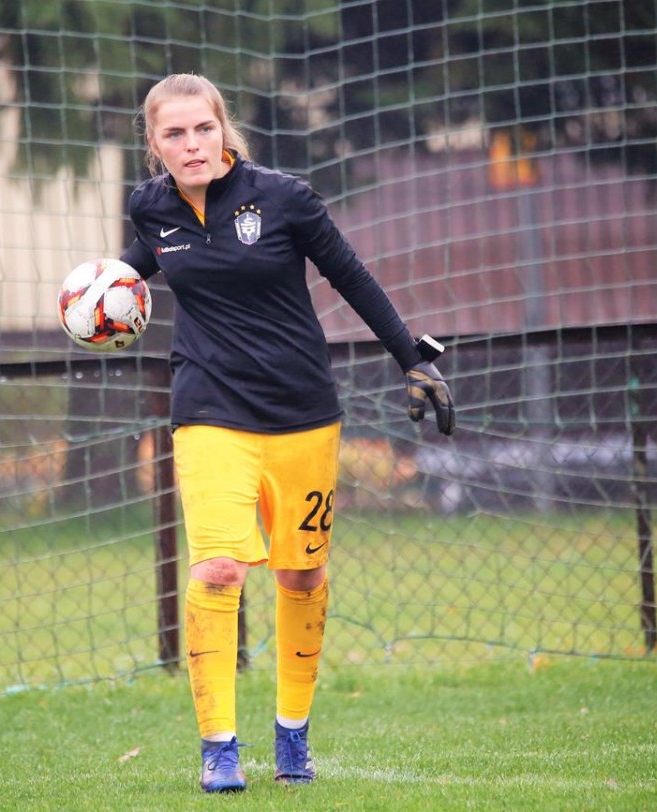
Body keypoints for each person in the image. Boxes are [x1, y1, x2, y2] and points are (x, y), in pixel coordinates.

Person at [118, 73, 455, 794]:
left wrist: (411, 358)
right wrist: (97, 292)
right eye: (174, 133)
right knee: (218, 569)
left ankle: (292, 734)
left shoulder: (283, 198)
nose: (191, 143)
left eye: (203, 128)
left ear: (223, 129)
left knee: (301, 574)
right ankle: (219, 748)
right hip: (209, 410)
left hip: (303, 412)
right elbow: (141, 267)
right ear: (154, 143)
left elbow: (351, 276)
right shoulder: (149, 207)